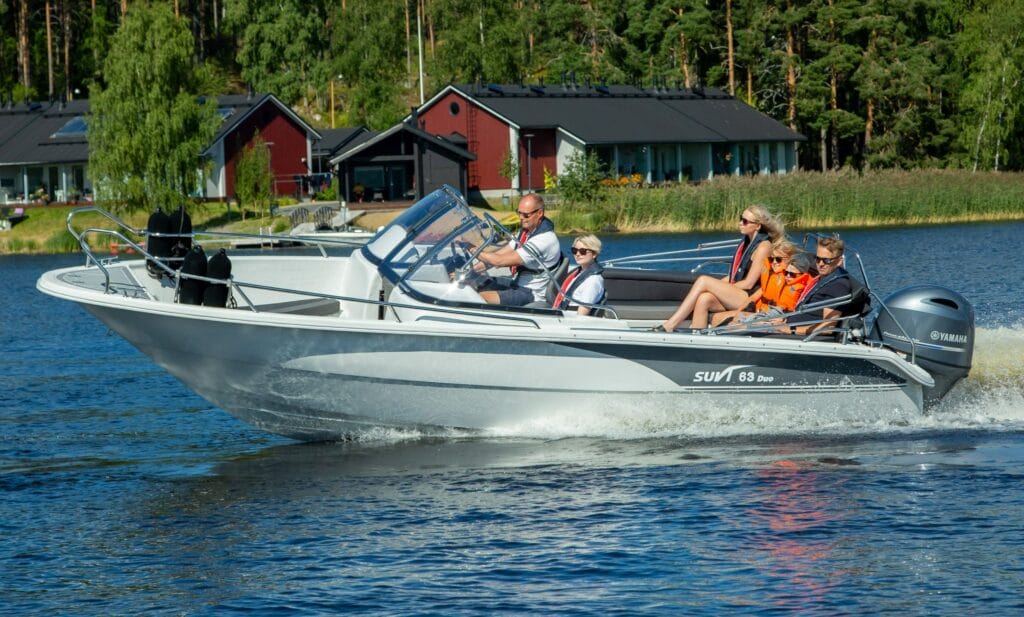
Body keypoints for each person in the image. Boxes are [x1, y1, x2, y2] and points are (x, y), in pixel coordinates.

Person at [653, 204, 785, 331]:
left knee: (704, 280)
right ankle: (697, 338)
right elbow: (734, 276)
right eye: (740, 219)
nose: (740, 223)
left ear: (757, 226)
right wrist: (715, 286)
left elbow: (749, 284)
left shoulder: (763, 246)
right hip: (740, 293)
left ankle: (670, 325)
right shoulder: (747, 243)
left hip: (751, 298)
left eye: (745, 221)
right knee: (704, 298)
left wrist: (714, 286)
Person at [474, 194, 561, 306]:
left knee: (477, 297)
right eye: (519, 212)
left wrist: (473, 250)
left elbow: (499, 261)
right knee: (476, 282)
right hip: (517, 283)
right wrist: (472, 270)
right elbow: (502, 253)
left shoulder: (544, 240)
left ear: (539, 213)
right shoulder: (526, 233)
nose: (521, 217)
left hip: (530, 293)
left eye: (526, 214)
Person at [711, 240, 804, 326]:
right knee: (716, 317)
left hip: (768, 318)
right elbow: (753, 298)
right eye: (772, 259)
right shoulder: (772, 276)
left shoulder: (791, 279)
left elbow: (786, 310)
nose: (774, 263)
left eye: (778, 259)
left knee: (721, 320)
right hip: (759, 311)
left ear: (789, 259)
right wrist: (738, 313)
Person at [786, 235, 852, 335]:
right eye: (817, 259)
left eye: (826, 260)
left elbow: (828, 327)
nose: (820, 264)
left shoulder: (838, 286)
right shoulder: (822, 278)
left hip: (801, 337)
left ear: (839, 261)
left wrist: (792, 330)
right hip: (788, 327)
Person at [553, 235, 605, 316]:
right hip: (561, 315)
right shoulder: (577, 274)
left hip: (569, 321)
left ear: (594, 254)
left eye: (583, 251)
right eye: (574, 250)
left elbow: (581, 315)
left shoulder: (593, 281)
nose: (577, 254)